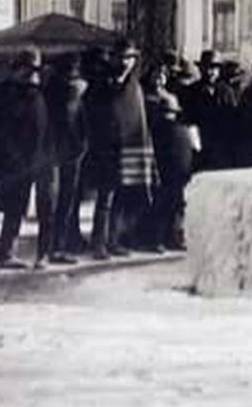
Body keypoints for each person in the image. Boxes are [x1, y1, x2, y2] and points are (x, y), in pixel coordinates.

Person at [0, 47, 53, 271]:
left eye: (35, 70)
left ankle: (7, 254)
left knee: (15, 209)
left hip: (23, 163)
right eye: (27, 69)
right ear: (16, 69)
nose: (32, 75)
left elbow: (41, 133)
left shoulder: (38, 97)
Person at [86, 39, 157, 259]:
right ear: (114, 58)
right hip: (108, 148)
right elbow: (96, 115)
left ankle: (114, 240)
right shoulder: (102, 82)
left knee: (122, 197)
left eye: (130, 58)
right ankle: (98, 243)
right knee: (105, 198)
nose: (125, 62)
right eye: (122, 57)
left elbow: (138, 119)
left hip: (131, 148)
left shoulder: (134, 85)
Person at [43, 52, 89, 264]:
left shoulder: (50, 91)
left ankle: (53, 248)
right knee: (61, 202)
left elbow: (82, 124)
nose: (73, 75)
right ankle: (55, 248)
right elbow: (82, 123)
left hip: (64, 152)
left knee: (60, 202)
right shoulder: (74, 92)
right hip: (64, 153)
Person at [144, 62, 193, 251]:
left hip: (175, 158)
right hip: (157, 152)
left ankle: (173, 236)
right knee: (161, 199)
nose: (159, 79)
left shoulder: (171, 98)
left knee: (176, 200)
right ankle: (156, 238)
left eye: (162, 75)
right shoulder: (144, 96)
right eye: (156, 75)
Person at [186, 50, 238, 172]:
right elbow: (188, 120)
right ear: (200, 69)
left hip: (222, 147)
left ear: (219, 71)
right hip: (200, 145)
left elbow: (233, 119)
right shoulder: (191, 92)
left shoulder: (227, 91)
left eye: (214, 68)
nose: (210, 72)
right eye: (206, 68)